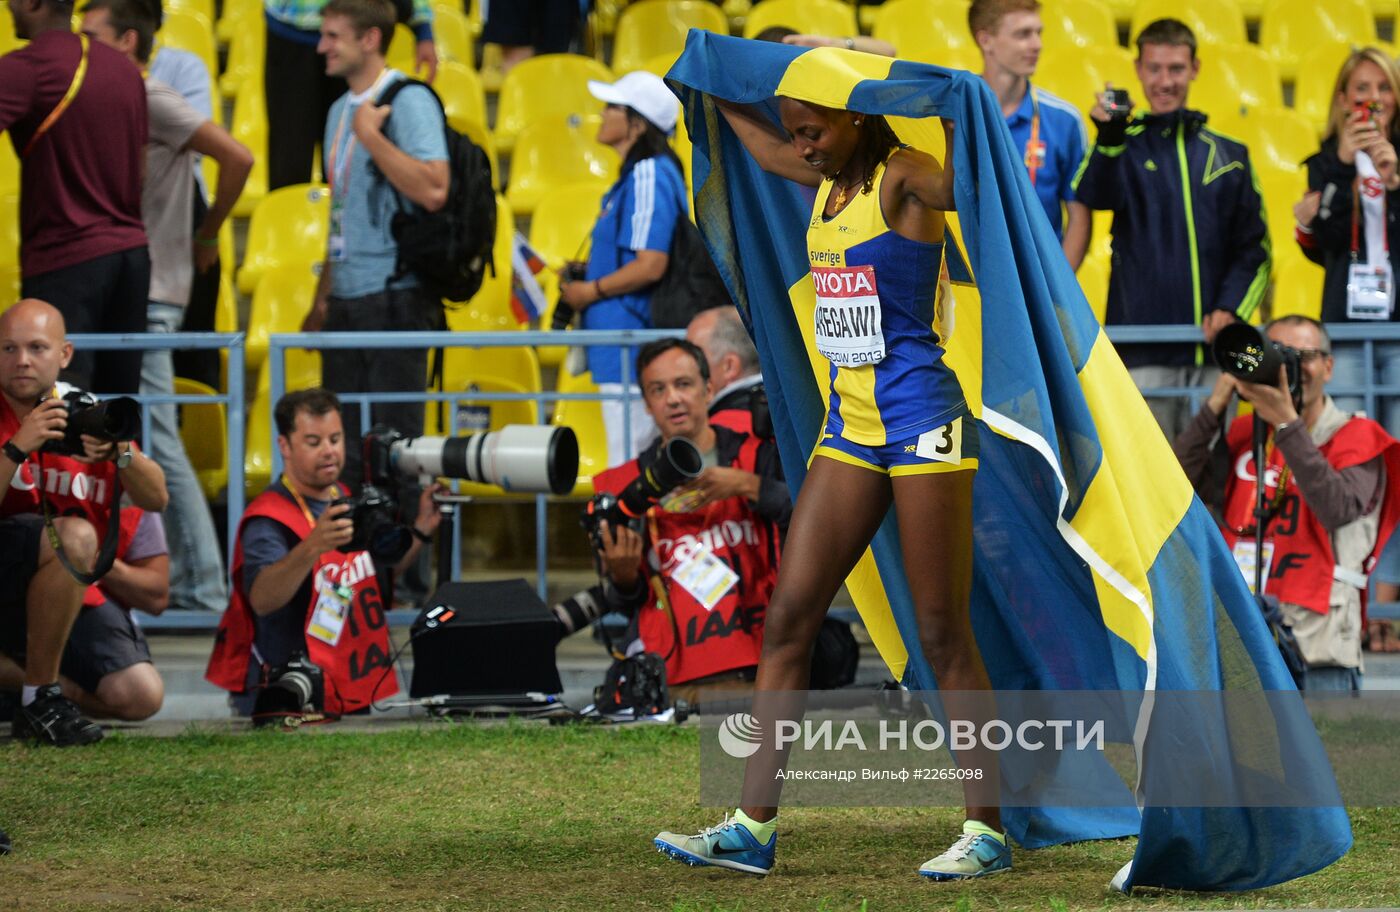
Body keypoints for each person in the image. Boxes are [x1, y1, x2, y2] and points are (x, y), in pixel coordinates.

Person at [654, 93, 1008, 880]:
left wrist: (949, 105)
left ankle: (986, 831)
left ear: (855, 118)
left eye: (814, 130)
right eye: (796, 134)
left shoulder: (905, 178)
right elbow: (766, 150)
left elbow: (973, 187)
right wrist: (707, 89)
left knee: (943, 631)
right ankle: (751, 828)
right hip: (851, 426)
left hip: (923, 420)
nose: (802, 147)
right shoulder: (825, 178)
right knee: (789, 619)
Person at [80, 0, 253, 614]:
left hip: (153, 293)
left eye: (91, 35)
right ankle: (189, 578)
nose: (80, 45)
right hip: (131, 289)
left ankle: (206, 584)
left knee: (155, 436)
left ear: (127, 41)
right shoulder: (114, 99)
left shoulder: (151, 98)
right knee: (143, 434)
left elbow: (238, 158)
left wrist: (207, 234)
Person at [1173, 317, 1400, 691]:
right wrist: (1215, 406)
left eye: (1304, 356)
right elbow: (1172, 486)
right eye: (1276, 354)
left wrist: (1285, 422)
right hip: (1241, 638)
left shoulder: (1359, 436)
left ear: (1329, 366)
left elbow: (1336, 509)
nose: (1289, 366)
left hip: (1318, 645)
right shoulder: (1244, 435)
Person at [1073, 19, 1270, 440]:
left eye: (1176, 69)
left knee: (1212, 481)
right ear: (1139, 70)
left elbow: (1255, 250)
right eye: (1155, 68)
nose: (1165, 81)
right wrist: (1108, 135)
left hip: (1214, 358)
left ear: (1195, 68)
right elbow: (1094, 195)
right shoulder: (1121, 144)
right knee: (1151, 488)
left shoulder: (1231, 156)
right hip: (1142, 355)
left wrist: (1232, 308)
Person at [786, 0, 1089, 268]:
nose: (1036, 44)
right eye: (1023, 34)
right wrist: (828, 44)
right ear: (986, 39)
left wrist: (1060, 286)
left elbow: (1078, 214)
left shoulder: (1063, 119)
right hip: (966, 274)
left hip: (1034, 275)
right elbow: (886, 57)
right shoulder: (945, 106)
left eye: (1038, 33)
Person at [205, 388, 441, 717]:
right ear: (284, 446)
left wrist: (421, 529)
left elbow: (374, 576)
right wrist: (313, 545)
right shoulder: (267, 518)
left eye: (335, 438)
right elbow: (261, 599)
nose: (329, 451)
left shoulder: (343, 495)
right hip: (285, 694)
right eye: (314, 442)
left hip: (345, 683)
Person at [0, 299, 169, 744]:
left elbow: (157, 497)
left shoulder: (83, 407)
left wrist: (121, 452)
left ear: (65, 354)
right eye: (8, 349)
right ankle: (38, 699)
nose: (22, 361)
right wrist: (19, 445)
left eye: (37, 348)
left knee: (140, 695)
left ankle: (30, 689)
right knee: (74, 535)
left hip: (63, 585)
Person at [300, 0, 448, 498]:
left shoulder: (407, 100)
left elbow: (433, 188)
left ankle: (405, 575)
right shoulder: (337, 109)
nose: (321, 46)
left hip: (395, 299)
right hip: (347, 301)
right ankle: (357, 574)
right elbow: (340, 209)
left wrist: (372, 137)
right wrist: (322, 298)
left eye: (333, 36)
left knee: (397, 453)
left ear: (369, 40)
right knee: (344, 458)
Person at [591, 339, 788, 709]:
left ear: (709, 388)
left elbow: (811, 523)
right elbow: (624, 600)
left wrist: (748, 485)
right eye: (658, 390)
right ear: (647, 404)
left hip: (763, 661)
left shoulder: (759, 454)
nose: (673, 399)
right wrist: (622, 575)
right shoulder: (625, 486)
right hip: (674, 673)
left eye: (683, 384)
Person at [0, 0, 149, 395]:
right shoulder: (125, 68)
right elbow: (142, 170)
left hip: (66, 258)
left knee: (55, 406)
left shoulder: (26, 68)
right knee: (117, 415)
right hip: (132, 260)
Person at [556, 71, 688, 465]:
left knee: (629, 467)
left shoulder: (648, 170)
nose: (602, 114)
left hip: (631, 346)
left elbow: (651, 264)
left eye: (612, 107)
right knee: (628, 462)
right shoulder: (637, 173)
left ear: (637, 121)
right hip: (622, 346)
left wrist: (589, 291)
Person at [1294, 48, 1400, 417]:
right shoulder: (1323, 163)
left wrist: (1394, 184)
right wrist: (1341, 167)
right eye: (1362, 88)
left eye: (1384, 87)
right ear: (1343, 99)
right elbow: (1327, 245)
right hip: (1347, 327)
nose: (1373, 99)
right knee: (1354, 441)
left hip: (1399, 326)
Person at [0, 506, 169, 721]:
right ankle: (37, 691)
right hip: (12, 575)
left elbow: (156, 598)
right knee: (70, 540)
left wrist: (92, 557)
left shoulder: (127, 486)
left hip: (82, 597)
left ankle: (40, 692)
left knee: (141, 694)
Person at [264, 0, 434, 191]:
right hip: (290, 33)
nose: (323, 46)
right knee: (289, 161)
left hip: (356, 36)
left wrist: (422, 28)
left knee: (353, 162)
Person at [686, 305, 765, 431]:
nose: (684, 367)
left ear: (729, 366)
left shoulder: (714, 433)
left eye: (694, 356)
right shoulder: (790, 410)